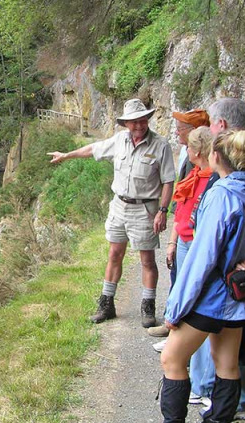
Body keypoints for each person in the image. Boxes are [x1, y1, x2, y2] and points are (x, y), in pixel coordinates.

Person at [159, 129, 245, 423]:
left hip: (211, 297)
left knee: (171, 359)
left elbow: (202, 259)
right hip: (239, 295)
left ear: (216, 156)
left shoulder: (221, 195)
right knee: (226, 364)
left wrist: (175, 309)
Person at [48, 98, 175, 328]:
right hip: (119, 206)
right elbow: (93, 149)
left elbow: (168, 181)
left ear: (147, 120)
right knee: (114, 254)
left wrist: (163, 211)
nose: (138, 126)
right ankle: (106, 305)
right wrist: (66, 155)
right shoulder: (119, 141)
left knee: (147, 259)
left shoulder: (161, 145)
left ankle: (148, 308)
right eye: (133, 122)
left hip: (145, 209)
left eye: (142, 120)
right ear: (126, 124)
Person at [190, 98, 245, 420]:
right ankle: (232, 400)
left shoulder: (237, 169)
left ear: (222, 125)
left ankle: (234, 401)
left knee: (234, 337)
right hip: (242, 266)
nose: (209, 130)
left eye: (212, 123)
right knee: (234, 339)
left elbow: (243, 221)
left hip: (235, 270)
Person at [150, 127, 213, 355]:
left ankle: (183, 347)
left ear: (197, 150)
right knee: (180, 291)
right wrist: (172, 242)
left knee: (192, 297)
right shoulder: (194, 173)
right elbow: (181, 211)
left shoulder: (212, 180)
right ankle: (176, 340)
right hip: (184, 241)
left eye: (189, 146)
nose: (186, 148)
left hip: (196, 245)